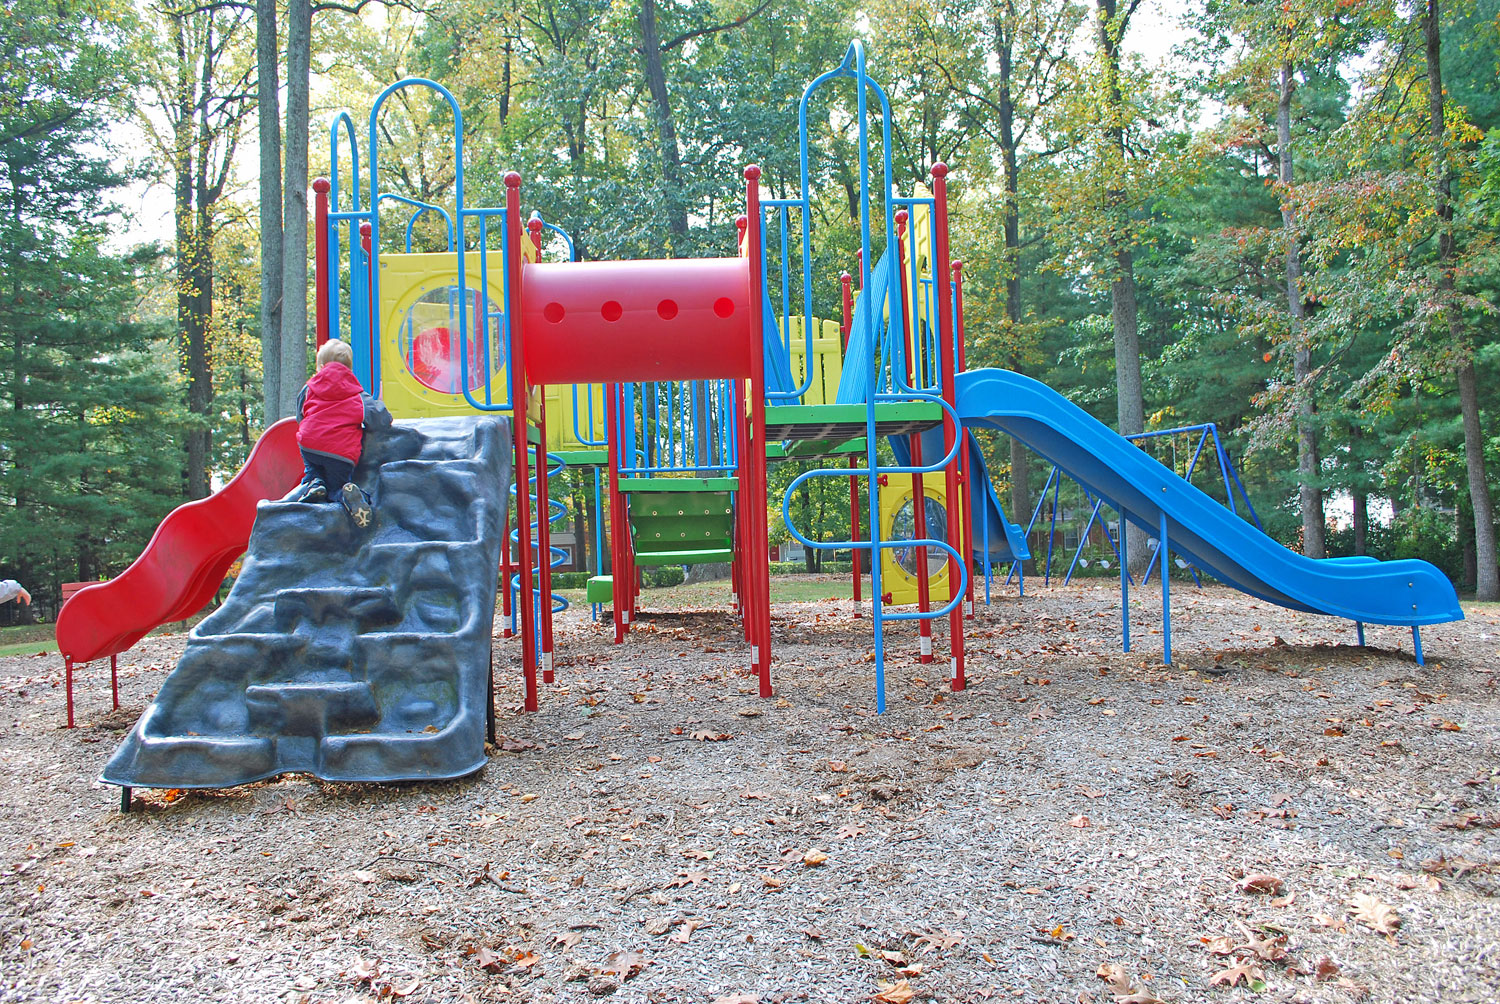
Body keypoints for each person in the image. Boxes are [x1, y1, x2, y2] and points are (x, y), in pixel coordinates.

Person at [286, 339, 384, 528]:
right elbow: (381, 419)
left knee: (313, 469)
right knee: (337, 485)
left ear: (321, 367)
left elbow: (301, 415)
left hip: (310, 444)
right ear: (349, 369)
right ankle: (348, 494)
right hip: (341, 453)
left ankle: (314, 484)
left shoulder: (308, 389)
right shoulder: (357, 395)